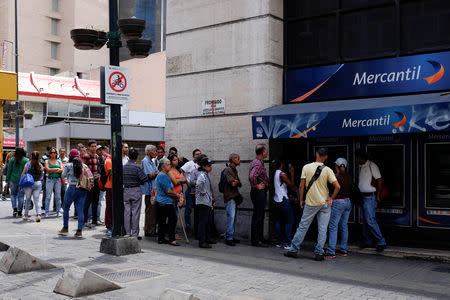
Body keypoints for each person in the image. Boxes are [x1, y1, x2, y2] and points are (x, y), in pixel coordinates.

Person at [285, 148, 340, 261]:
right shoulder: (328, 170)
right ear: (326, 157)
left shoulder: (306, 167)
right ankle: (319, 253)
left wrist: (301, 199)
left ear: (316, 154)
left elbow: (301, 185)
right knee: (323, 229)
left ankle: (294, 250)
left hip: (311, 203)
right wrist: (331, 198)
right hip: (324, 203)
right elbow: (337, 186)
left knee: (303, 226)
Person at [356, 149, 387, 252]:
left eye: (357, 158)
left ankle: (381, 241)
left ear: (361, 158)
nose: (356, 160)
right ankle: (368, 241)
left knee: (370, 220)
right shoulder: (361, 167)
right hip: (363, 197)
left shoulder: (372, 165)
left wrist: (377, 195)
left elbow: (380, 180)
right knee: (365, 220)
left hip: (370, 197)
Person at [325, 158, 353, 259]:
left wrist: (331, 198)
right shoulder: (349, 176)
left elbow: (337, 188)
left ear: (336, 166)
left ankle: (331, 251)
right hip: (348, 202)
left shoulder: (336, 177)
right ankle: (343, 250)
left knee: (333, 226)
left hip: (338, 203)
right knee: (344, 226)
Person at [59, 149, 87, 238]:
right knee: (80, 210)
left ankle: (65, 228)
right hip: (82, 188)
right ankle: (79, 231)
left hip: (72, 187)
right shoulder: (84, 165)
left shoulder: (68, 165)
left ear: (70, 156)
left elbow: (62, 175)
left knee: (66, 208)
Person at [123, 148, 148, 238]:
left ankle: (127, 232)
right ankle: (135, 234)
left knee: (127, 212)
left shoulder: (124, 167)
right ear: (137, 157)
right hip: (136, 190)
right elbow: (144, 179)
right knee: (135, 212)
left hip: (126, 190)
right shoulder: (138, 167)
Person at [155, 157, 180, 246]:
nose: (170, 166)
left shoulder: (161, 175)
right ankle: (171, 239)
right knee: (172, 219)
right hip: (165, 202)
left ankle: (161, 238)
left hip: (162, 201)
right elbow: (168, 191)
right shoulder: (163, 176)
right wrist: (176, 195)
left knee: (162, 221)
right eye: (168, 164)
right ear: (163, 167)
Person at [248, 144, 269, 247]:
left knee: (259, 215)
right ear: (262, 152)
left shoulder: (259, 162)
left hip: (259, 192)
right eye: (266, 151)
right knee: (258, 216)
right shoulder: (258, 163)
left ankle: (259, 238)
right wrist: (256, 186)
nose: (267, 152)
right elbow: (252, 176)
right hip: (258, 192)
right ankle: (256, 240)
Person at [273, 160, 295, 250]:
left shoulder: (275, 173)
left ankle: (279, 241)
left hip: (277, 200)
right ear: (281, 163)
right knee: (289, 221)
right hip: (283, 200)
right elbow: (291, 185)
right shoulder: (282, 174)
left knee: (279, 221)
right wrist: (292, 173)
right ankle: (287, 243)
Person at [223, 154, 242, 246]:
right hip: (229, 197)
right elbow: (233, 184)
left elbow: (238, 183)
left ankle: (231, 235)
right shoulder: (228, 170)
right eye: (237, 158)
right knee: (231, 217)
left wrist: (236, 181)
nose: (239, 159)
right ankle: (228, 237)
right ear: (232, 159)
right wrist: (236, 181)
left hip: (234, 196)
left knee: (233, 218)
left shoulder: (235, 170)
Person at [181, 149, 201, 234]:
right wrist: (186, 181)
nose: (198, 155)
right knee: (188, 209)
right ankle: (188, 227)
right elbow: (181, 171)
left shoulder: (201, 164)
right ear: (193, 156)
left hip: (198, 190)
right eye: (196, 154)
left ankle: (197, 229)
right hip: (190, 189)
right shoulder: (189, 164)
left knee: (198, 210)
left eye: (200, 154)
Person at [196, 157, 215, 248]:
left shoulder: (205, 174)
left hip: (206, 201)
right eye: (208, 166)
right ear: (203, 166)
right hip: (203, 202)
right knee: (203, 222)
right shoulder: (202, 175)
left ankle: (206, 239)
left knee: (206, 222)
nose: (210, 167)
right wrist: (202, 193)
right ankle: (202, 241)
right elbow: (198, 184)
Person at [141, 145, 159, 237]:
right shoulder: (145, 161)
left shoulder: (152, 161)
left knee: (153, 211)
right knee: (149, 211)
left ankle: (152, 229)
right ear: (148, 152)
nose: (156, 153)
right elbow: (150, 175)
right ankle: (148, 231)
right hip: (149, 190)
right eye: (154, 151)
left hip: (153, 190)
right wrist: (158, 173)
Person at [82, 140, 100, 226]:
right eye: (92, 146)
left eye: (95, 146)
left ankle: (94, 220)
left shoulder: (97, 156)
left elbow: (98, 169)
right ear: (89, 147)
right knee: (87, 201)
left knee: (95, 201)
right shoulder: (86, 156)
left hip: (96, 181)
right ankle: (85, 220)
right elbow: (83, 169)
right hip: (89, 182)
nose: (94, 148)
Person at [6, 148, 29, 217]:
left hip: (13, 179)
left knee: (13, 194)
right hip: (22, 180)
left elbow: (9, 170)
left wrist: (7, 180)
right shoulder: (26, 160)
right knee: (21, 196)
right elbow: (27, 170)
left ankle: (15, 209)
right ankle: (19, 211)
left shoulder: (12, 159)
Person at [21, 151, 43, 222]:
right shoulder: (40, 165)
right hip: (38, 183)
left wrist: (21, 184)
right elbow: (41, 175)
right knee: (36, 200)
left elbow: (23, 174)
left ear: (31, 156)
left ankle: (26, 215)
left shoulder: (28, 164)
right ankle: (39, 214)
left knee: (27, 199)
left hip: (28, 184)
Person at [44, 147, 63, 217]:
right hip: (50, 179)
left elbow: (62, 170)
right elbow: (48, 170)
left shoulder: (59, 161)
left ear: (56, 153)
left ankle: (58, 211)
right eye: (52, 152)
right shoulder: (47, 161)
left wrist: (53, 170)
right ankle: (46, 212)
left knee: (58, 197)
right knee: (48, 196)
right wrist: (57, 169)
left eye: (54, 152)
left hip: (58, 179)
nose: (53, 154)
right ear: (49, 153)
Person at [103, 154, 113, 236]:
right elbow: (113, 173)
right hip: (110, 187)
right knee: (109, 207)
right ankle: (109, 227)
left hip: (116, 187)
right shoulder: (109, 160)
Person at [40, 146, 51, 210]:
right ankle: (44, 206)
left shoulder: (56, 157)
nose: (51, 153)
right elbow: (41, 167)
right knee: (45, 192)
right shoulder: (44, 158)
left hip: (54, 176)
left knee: (56, 194)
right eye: (50, 151)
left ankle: (56, 207)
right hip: (46, 177)